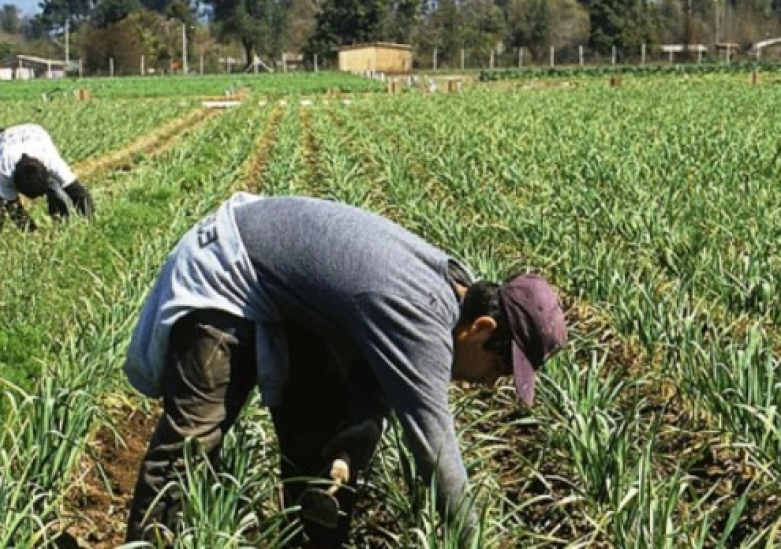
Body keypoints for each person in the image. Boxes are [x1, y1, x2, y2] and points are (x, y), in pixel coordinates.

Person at [122, 192, 567, 547]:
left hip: (287, 291)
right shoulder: (423, 316)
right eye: (499, 367)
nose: (491, 383)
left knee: (318, 426)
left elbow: (374, 373)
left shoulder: (453, 290)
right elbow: (437, 454)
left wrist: (356, 440)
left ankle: (308, 536)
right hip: (227, 266)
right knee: (192, 440)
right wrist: (474, 539)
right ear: (482, 327)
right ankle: (149, 541)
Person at [0, 123, 94, 246]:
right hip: (5, 140)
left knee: (56, 191)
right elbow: (12, 206)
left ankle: (61, 227)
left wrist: (90, 226)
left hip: (37, 134)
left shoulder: (52, 161)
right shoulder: (5, 168)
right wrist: (32, 233)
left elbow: (80, 194)